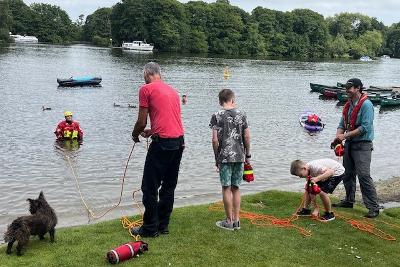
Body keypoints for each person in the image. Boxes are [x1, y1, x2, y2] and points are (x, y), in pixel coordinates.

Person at [130, 62, 185, 237]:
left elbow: (141, 121)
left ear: (147, 74)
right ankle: (163, 226)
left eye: (143, 76)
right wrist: (152, 131)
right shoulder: (173, 91)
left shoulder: (145, 89)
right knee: (168, 186)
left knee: (149, 187)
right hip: (179, 142)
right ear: (159, 74)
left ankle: (149, 228)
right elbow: (168, 118)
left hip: (162, 143)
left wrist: (135, 134)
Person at [332, 78, 380, 218]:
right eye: (346, 88)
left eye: (350, 88)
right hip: (349, 144)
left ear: (358, 88)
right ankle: (349, 200)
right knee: (347, 174)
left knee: (364, 176)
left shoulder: (367, 105)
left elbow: (365, 128)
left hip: (363, 145)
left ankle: (373, 207)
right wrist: (338, 138)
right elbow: (342, 124)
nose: (347, 90)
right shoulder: (348, 105)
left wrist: (344, 136)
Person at [209, 89, 250, 230]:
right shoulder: (242, 115)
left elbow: (214, 141)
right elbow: (247, 137)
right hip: (239, 155)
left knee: (226, 188)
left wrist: (216, 158)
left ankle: (229, 220)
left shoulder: (216, 116)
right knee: (236, 188)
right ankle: (237, 221)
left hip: (224, 156)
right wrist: (248, 155)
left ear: (220, 101)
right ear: (233, 100)